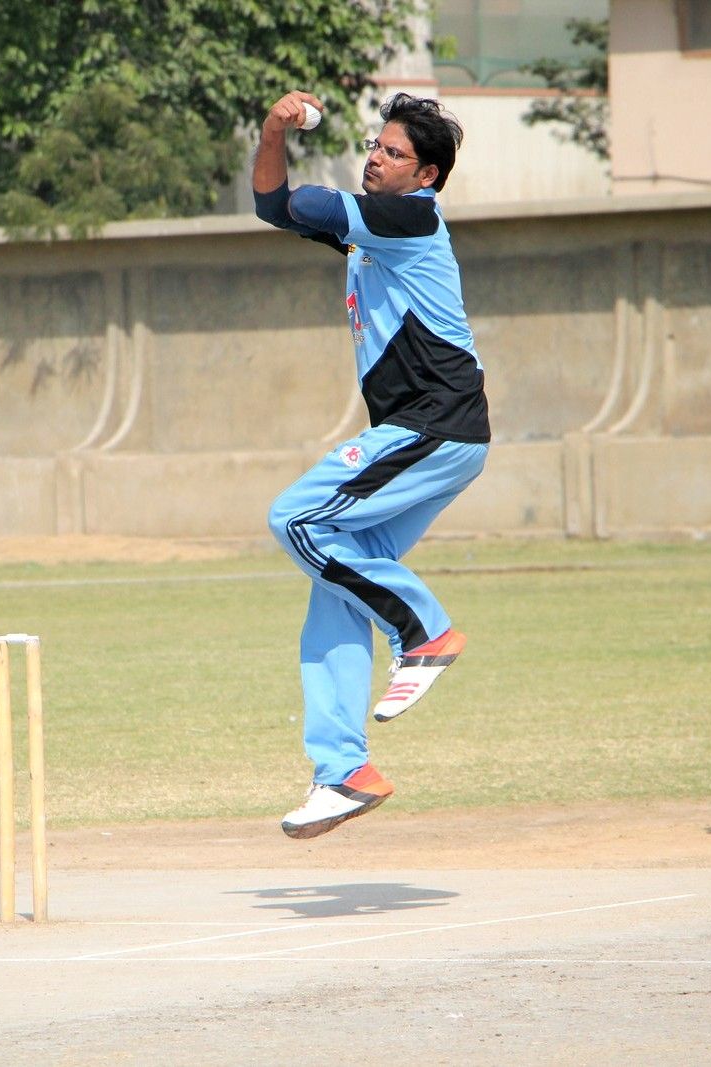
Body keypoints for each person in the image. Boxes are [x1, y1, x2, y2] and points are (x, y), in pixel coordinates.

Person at [252, 90, 490, 840]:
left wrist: (301, 159)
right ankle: (342, 771)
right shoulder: (373, 231)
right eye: (374, 146)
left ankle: (423, 631)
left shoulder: (410, 218)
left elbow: (308, 204)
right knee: (335, 588)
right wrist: (272, 129)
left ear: (425, 176)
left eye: (392, 153)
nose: (375, 159)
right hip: (421, 433)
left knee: (294, 519)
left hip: (434, 423)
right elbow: (273, 206)